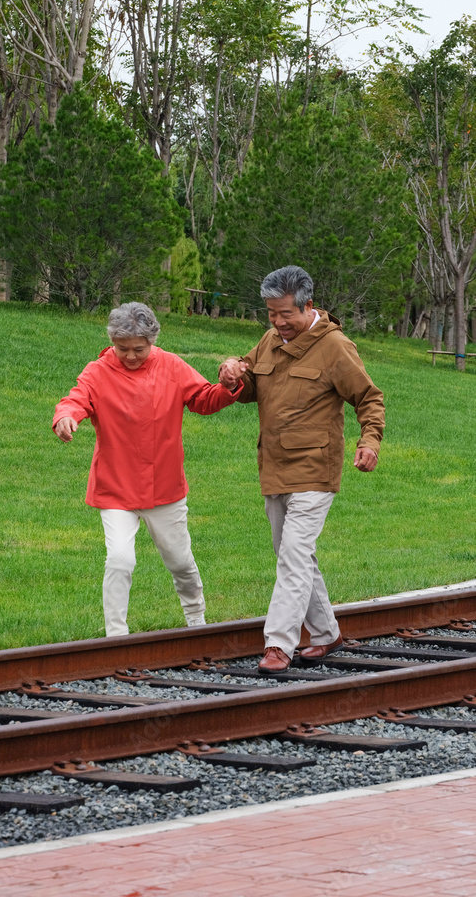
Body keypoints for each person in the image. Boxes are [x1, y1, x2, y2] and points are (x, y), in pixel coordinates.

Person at [219, 266, 384, 673]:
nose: (277, 322)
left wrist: (370, 442)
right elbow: (251, 388)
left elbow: (369, 398)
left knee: (293, 555)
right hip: (273, 466)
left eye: (285, 314)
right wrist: (233, 375)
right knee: (292, 555)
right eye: (271, 314)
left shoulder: (335, 347)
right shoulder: (270, 340)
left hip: (315, 468)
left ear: (307, 306)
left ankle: (279, 644)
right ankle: (327, 634)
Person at [54, 301, 243, 637]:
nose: (130, 356)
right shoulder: (97, 371)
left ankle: (197, 621)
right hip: (115, 488)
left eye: (138, 349)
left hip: (164, 487)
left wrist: (228, 388)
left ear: (153, 341)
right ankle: (116, 636)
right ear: (111, 340)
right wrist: (66, 417)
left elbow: (203, 399)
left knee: (180, 562)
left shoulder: (171, 366)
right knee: (120, 560)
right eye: (122, 348)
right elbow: (76, 398)